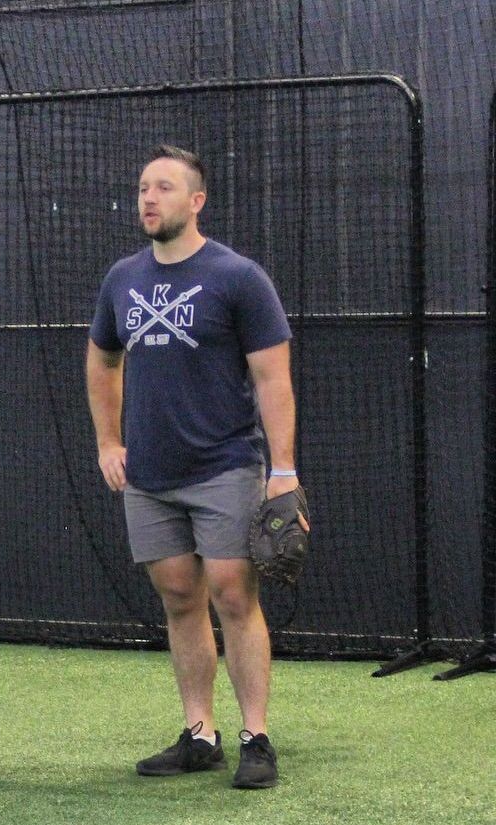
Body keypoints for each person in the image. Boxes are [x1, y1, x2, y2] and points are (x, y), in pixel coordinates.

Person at [86, 144, 307, 790]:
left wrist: (284, 469)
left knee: (234, 594)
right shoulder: (122, 280)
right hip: (150, 475)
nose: (148, 198)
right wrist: (107, 441)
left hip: (225, 466)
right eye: (142, 187)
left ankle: (255, 735)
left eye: (163, 187)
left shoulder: (237, 277)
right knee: (180, 596)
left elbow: (273, 378)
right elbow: (102, 359)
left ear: (196, 201)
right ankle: (200, 733)